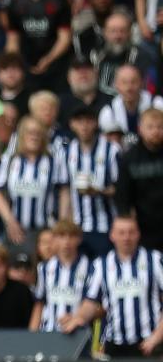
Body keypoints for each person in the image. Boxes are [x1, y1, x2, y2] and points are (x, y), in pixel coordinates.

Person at [65, 216, 163, 358]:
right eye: (121, 233)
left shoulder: (155, 260)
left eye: (131, 232)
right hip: (115, 344)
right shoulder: (101, 265)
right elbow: (91, 302)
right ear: (112, 235)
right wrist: (78, 318)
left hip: (149, 343)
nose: (126, 237)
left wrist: (157, 337)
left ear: (138, 234)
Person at [0, 115, 71, 254]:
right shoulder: (9, 161)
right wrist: (9, 220)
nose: (34, 137)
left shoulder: (54, 161)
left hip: (45, 230)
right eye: (30, 132)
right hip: (16, 230)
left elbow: (64, 190)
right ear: (21, 135)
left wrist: (62, 222)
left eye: (38, 133)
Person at [63, 104, 120, 259]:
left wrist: (99, 191)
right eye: (79, 121)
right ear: (72, 124)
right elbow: (65, 190)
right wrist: (65, 223)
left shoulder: (111, 150)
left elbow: (121, 189)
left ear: (95, 123)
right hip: (78, 227)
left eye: (88, 121)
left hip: (106, 226)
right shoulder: (67, 152)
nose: (84, 126)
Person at [31, 219, 92, 334]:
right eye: (62, 236)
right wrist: (32, 335)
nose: (66, 241)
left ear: (79, 239)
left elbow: (97, 306)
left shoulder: (91, 268)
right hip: (49, 332)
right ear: (54, 239)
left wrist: (78, 317)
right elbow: (39, 304)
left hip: (79, 333)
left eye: (72, 236)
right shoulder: (44, 268)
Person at [116, 108, 163, 253]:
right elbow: (123, 197)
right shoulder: (129, 158)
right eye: (150, 127)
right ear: (140, 129)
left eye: (160, 127)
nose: (155, 131)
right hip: (143, 228)